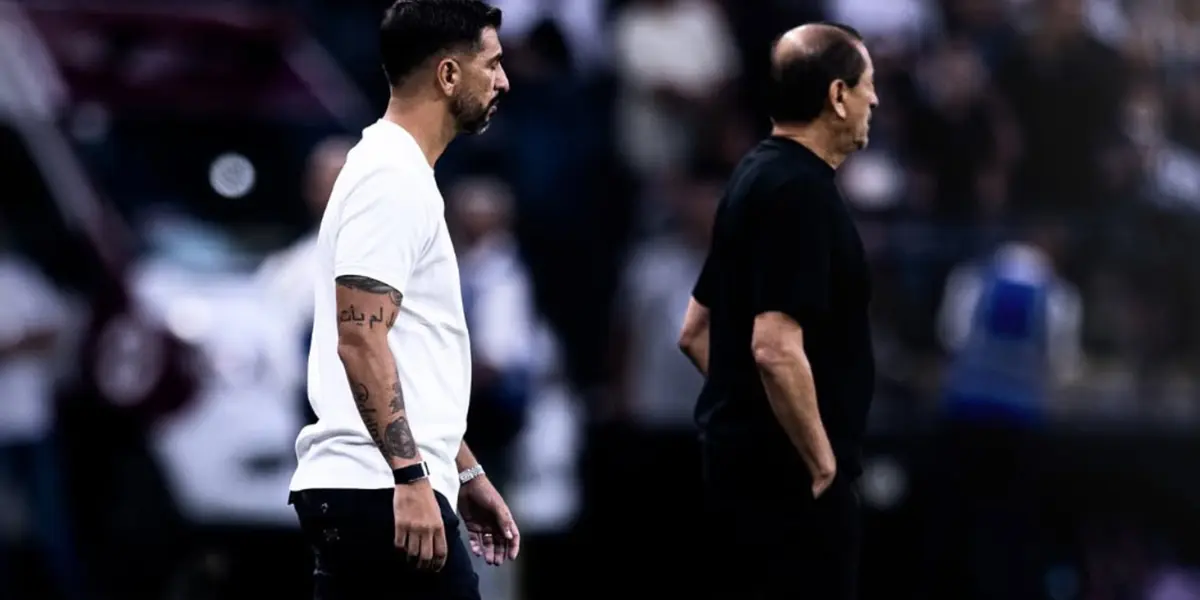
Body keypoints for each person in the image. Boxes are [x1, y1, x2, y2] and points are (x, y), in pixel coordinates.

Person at [287, 2, 518, 599]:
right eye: (491, 64)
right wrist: (412, 476)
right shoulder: (391, 178)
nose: (503, 81)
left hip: (378, 488)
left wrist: (462, 469)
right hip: (381, 492)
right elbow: (360, 337)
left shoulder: (396, 173)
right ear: (447, 75)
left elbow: (404, 352)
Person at [678, 22, 878, 600]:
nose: (876, 100)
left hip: (744, 480)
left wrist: (750, 420)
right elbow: (773, 346)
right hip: (793, 493)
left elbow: (695, 331)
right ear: (838, 97)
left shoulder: (753, 173)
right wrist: (823, 465)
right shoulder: (800, 191)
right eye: (868, 85)